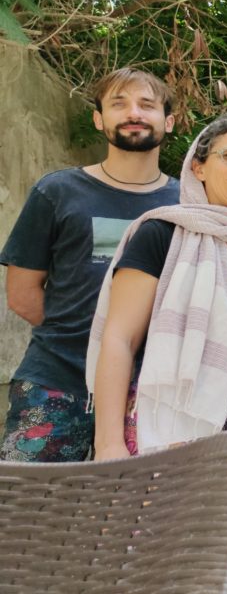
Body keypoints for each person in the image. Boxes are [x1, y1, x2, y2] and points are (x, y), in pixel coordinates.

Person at [88, 112, 227, 594]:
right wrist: (108, 444)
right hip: (167, 434)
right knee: (166, 564)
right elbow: (120, 341)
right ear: (199, 168)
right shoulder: (161, 236)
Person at [1, 67, 180, 462]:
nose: (133, 112)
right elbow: (21, 293)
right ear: (99, 119)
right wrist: (83, 338)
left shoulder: (187, 206)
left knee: (126, 520)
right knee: (29, 512)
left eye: (146, 105)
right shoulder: (56, 192)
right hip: (54, 382)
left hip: (146, 393)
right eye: (119, 103)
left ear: (169, 121)